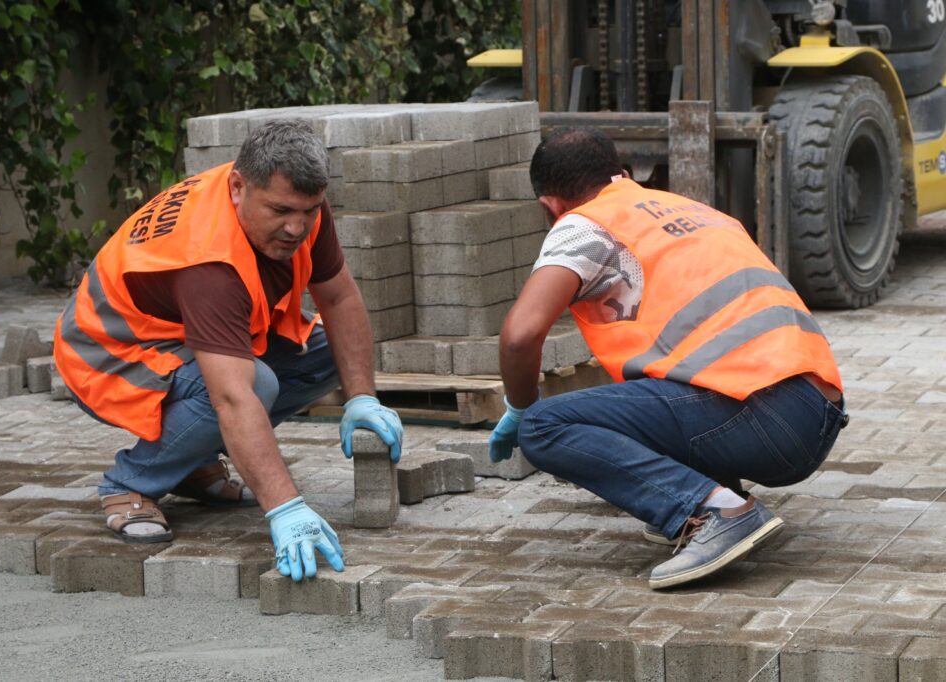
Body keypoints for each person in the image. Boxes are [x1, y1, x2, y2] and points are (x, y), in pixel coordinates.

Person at [488, 128, 848, 589]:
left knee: (546, 425)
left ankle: (719, 512)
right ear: (621, 173)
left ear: (550, 205)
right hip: (815, 413)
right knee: (645, 389)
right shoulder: (690, 210)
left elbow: (519, 336)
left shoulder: (584, 224)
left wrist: (520, 409)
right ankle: (720, 491)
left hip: (760, 416)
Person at [54, 120, 403, 582]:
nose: (297, 227)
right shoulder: (209, 265)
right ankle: (130, 484)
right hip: (110, 352)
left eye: (309, 211)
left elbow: (338, 298)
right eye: (281, 210)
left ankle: (190, 463)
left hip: (182, 332)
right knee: (254, 385)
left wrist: (362, 397)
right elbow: (233, 398)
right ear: (238, 187)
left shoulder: (298, 207)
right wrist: (285, 507)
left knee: (323, 354)